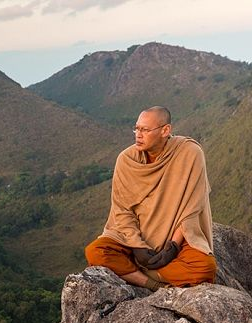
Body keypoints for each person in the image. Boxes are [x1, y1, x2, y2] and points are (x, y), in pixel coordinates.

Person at [84, 106, 216, 290]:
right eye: (136, 129)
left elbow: (192, 207)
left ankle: (131, 271)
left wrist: (174, 247)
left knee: (204, 268)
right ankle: (151, 283)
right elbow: (122, 210)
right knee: (96, 252)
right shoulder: (127, 160)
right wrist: (136, 246)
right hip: (135, 237)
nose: (138, 134)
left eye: (145, 130)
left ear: (165, 130)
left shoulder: (189, 153)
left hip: (173, 234)